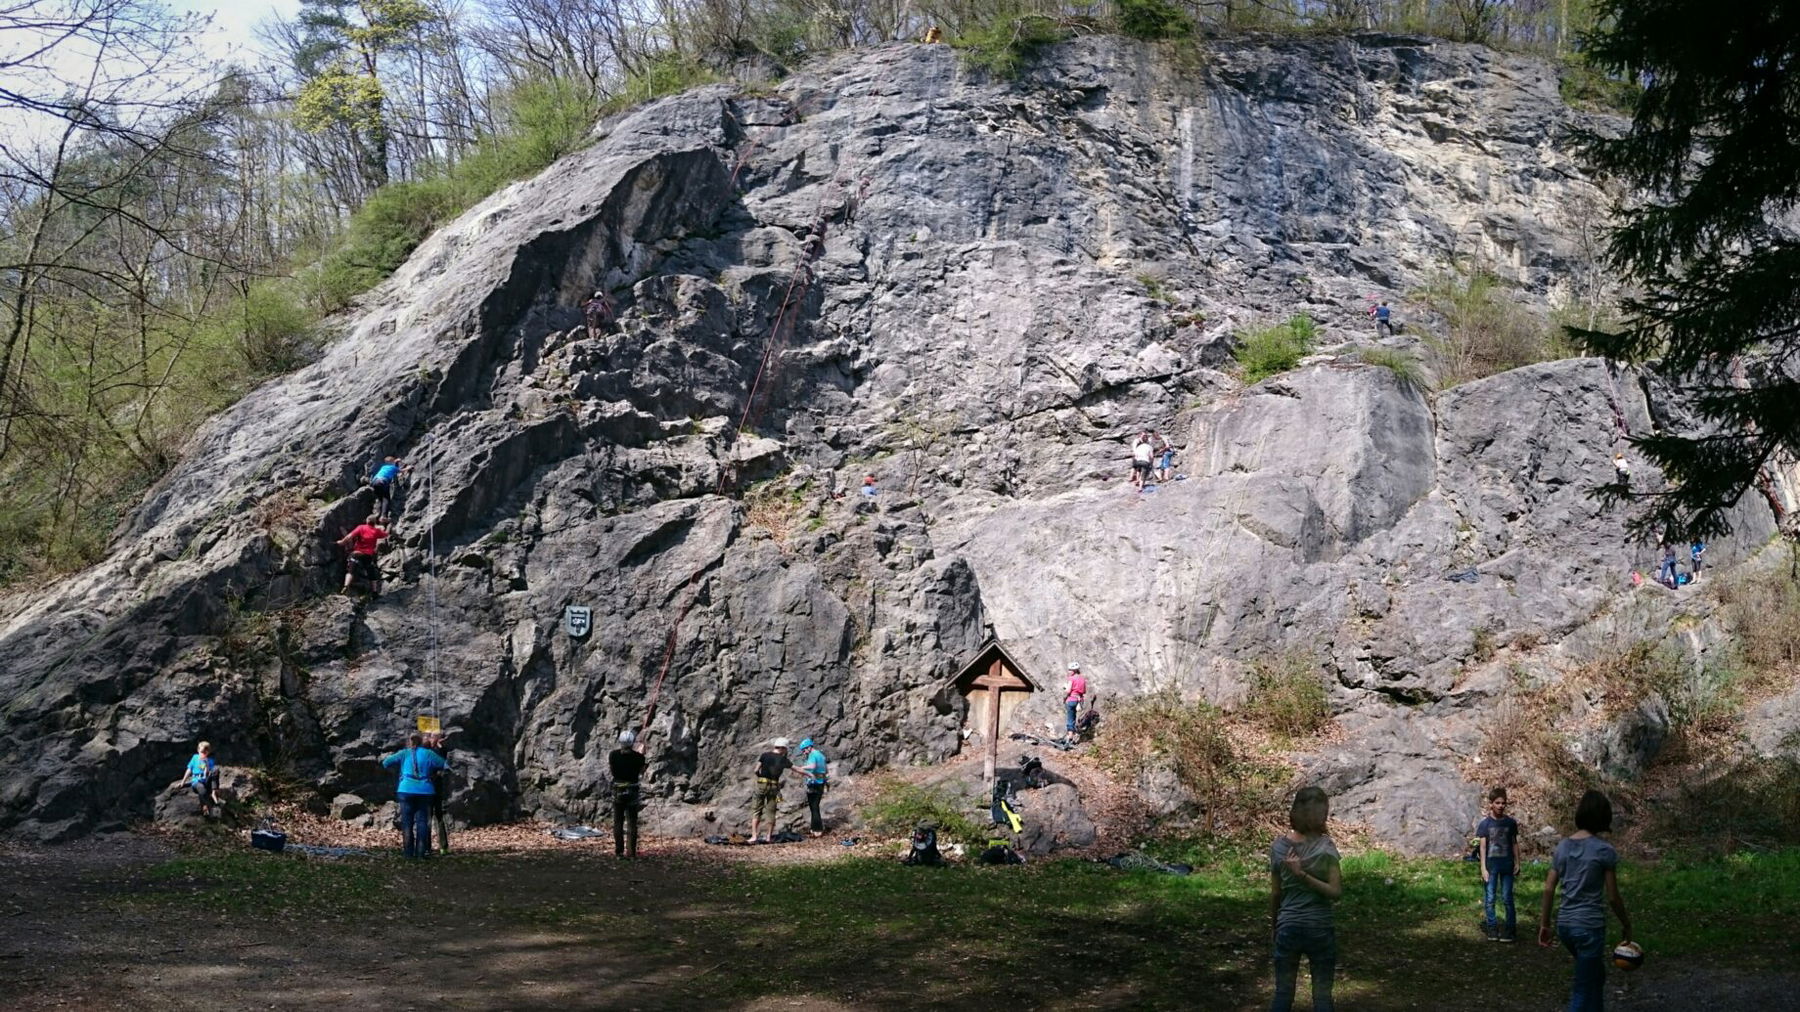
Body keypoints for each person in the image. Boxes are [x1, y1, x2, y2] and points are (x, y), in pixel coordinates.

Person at [1539, 790, 1634, 1012]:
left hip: (1566, 927)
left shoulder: (1563, 846)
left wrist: (1545, 924)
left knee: (1595, 976)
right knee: (1583, 988)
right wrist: (1626, 923)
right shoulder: (1604, 850)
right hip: (1589, 928)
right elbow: (1612, 896)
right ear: (1603, 818)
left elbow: (1548, 887)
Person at [1270, 786, 1341, 1012]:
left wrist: (1275, 925)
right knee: (1322, 998)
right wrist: (1303, 875)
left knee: (1283, 994)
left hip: (1288, 926)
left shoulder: (1279, 848)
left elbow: (1276, 894)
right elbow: (1335, 892)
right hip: (1320, 928)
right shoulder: (1326, 847)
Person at [381, 733, 448, 859]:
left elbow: (386, 762)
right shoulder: (429, 754)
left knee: (407, 823)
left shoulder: (404, 753)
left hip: (405, 790)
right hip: (425, 790)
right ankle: (421, 854)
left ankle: (408, 854)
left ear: (410, 742)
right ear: (422, 742)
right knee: (422, 822)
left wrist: (400, 770)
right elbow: (445, 765)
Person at [1476, 787, 1519, 941]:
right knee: (1490, 898)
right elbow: (1482, 847)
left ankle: (1510, 930)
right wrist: (1483, 868)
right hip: (1491, 866)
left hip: (1507, 865)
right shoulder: (1485, 824)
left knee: (1507, 898)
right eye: (1497, 803)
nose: (1501, 806)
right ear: (1491, 804)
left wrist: (1517, 863)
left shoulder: (1510, 823)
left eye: (1503, 803)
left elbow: (1514, 843)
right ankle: (1492, 928)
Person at [609, 730, 647, 858]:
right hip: (632, 790)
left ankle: (619, 851)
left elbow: (613, 770)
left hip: (618, 790)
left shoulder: (613, 755)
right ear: (632, 743)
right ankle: (631, 852)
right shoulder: (639, 757)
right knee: (632, 822)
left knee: (618, 821)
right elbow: (642, 771)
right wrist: (641, 754)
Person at [749, 737, 794, 844]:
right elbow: (796, 768)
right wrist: (809, 773)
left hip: (761, 784)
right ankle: (768, 837)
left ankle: (754, 836)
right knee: (771, 812)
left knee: (756, 810)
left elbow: (756, 770)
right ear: (783, 748)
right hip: (774, 787)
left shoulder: (765, 755)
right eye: (786, 749)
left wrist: (760, 776)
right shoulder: (783, 759)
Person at [337, 514, 389, 596]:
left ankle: (346, 585)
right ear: (374, 523)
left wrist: (342, 542)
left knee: (350, 571)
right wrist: (387, 526)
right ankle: (374, 592)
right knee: (371, 573)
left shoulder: (361, 527)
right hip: (368, 556)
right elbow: (386, 534)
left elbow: (350, 536)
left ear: (367, 521)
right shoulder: (376, 531)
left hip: (357, 553)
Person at [423, 731, 451, 854]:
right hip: (428, 787)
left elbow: (443, 761)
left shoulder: (439, 750)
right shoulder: (425, 752)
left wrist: (440, 746)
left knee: (439, 815)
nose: (432, 739)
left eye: (435, 737)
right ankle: (426, 846)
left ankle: (443, 846)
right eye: (431, 737)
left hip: (436, 787)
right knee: (427, 816)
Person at [795, 738, 829, 837]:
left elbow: (812, 766)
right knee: (815, 806)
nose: (804, 752)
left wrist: (801, 768)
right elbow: (826, 770)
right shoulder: (821, 755)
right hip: (821, 782)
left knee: (814, 807)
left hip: (814, 783)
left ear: (809, 747)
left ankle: (817, 830)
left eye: (804, 750)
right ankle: (814, 828)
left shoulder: (813, 755)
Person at [183, 741, 220, 817]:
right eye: (201, 752)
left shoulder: (210, 760)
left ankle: (214, 792)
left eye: (205, 752)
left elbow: (211, 773)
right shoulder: (195, 758)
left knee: (215, 769)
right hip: (197, 781)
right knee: (202, 790)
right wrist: (183, 781)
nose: (203, 754)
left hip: (206, 780)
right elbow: (189, 769)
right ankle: (208, 808)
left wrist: (206, 764)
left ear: (208, 752)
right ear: (198, 750)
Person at [369, 456, 406, 521]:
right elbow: (401, 471)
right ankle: (383, 516)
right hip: (382, 482)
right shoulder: (393, 467)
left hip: (374, 482)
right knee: (386, 499)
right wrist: (409, 467)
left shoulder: (384, 467)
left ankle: (378, 514)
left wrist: (396, 461)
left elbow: (394, 468)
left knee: (381, 500)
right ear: (392, 462)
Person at [1064, 663, 1088, 736]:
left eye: (1070, 670)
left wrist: (1065, 687)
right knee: (1074, 717)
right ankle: (1072, 735)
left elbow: (1068, 691)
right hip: (1079, 700)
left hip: (1071, 699)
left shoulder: (1071, 678)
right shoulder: (1082, 679)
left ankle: (1070, 737)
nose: (1069, 671)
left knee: (1070, 719)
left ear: (1074, 671)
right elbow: (1084, 691)